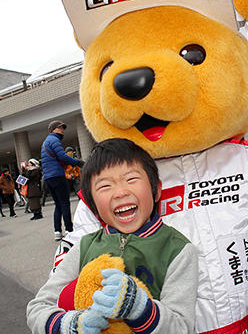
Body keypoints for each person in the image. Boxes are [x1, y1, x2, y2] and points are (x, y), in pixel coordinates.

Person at [27, 138, 198, 334]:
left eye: (131, 179)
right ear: (94, 206)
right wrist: (69, 324)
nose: (120, 192)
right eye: (105, 186)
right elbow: (37, 308)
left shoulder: (178, 250)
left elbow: (182, 327)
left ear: (156, 189)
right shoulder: (84, 247)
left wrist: (140, 309)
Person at [41, 120, 84, 241]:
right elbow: (62, 156)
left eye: (63, 128)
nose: (62, 130)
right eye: (60, 128)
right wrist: (78, 162)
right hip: (58, 176)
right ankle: (70, 230)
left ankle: (57, 231)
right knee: (65, 203)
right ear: (53, 129)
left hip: (49, 178)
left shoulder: (45, 142)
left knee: (58, 205)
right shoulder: (54, 140)